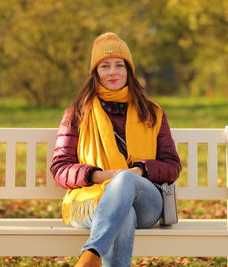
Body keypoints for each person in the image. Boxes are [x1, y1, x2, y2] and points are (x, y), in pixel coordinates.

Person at [50, 32, 181, 267]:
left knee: (125, 181)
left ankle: (91, 253)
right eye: (105, 66)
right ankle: (93, 255)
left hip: (145, 202)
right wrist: (99, 175)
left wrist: (138, 171)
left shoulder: (152, 111)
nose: (113, 72)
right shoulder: (78, 112)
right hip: (92, 200)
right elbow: (60, 167)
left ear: (129, 71)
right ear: (95, 73)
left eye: (119, 65)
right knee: (124, 214)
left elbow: (172, 166)